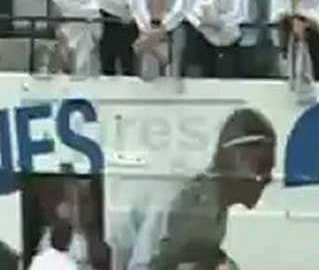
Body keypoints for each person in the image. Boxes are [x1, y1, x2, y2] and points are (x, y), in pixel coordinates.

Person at [113, 108, 276, 270]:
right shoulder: (183, 200)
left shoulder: (215, 205)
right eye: (263, 167)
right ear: (236, 158)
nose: (269, 178)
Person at [184, 0, 249, 78]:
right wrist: (201, 21)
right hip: (204, 35)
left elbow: (242, 12)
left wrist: (221, 22)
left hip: (229, 38)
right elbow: (189, 8)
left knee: (227, 78)